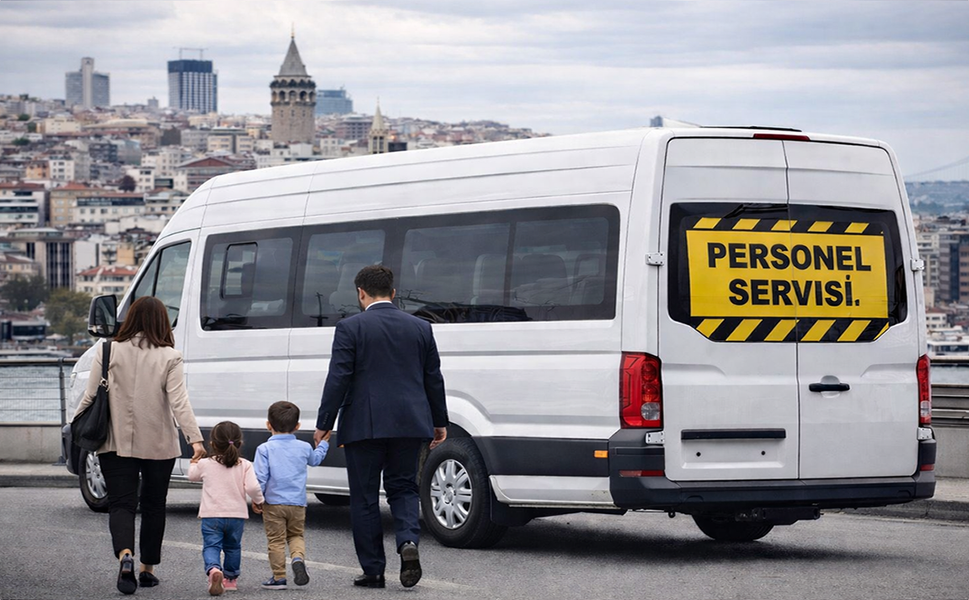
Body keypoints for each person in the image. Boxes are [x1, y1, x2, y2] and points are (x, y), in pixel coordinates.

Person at [314, 265, 448, 589]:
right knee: (403, 488)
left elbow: (338, 379)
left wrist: (324, 424)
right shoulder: (421, 328)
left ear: (361, 293)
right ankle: (407, 542)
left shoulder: (350, 327)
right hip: (411, 423)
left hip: (364, 425)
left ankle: (373, 570)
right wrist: (439, 422)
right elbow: (433, 378)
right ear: (393, 291)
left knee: (364, 497)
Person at [73, 295, 205, 595]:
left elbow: (90, 395)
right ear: (161, 322)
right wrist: (194, 438)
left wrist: (78, 424)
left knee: (121, 504)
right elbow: (179, 402)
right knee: (154, 505)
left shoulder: (106, 350)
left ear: (130, 318)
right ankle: (147, 570)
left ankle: (125, 555)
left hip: (114, 441)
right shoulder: (169, 356)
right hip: (158, 444)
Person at [253, 401, 329, 590]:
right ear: (297, 426)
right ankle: (297, 558)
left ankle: (279, 578)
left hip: (273, 503)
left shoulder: (264, 449)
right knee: (296, 535)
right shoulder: (304, 447)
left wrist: (257, 499)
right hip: (297, 503)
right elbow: (316, 460)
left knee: (276, 540)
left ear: (268, 425)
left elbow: (260, 478)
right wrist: (323, 444)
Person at [187, 421, 265, 595]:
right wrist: (259, 500)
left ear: (212, 444)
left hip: (211, 516)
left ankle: (214, 570)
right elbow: (252, 487)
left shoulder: (206, 463)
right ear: (240, 443)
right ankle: (230, 579)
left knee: (211, 547)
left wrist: (193, 462)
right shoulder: (245, 464)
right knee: (233, 547)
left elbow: (192, 476)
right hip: (236, 516)